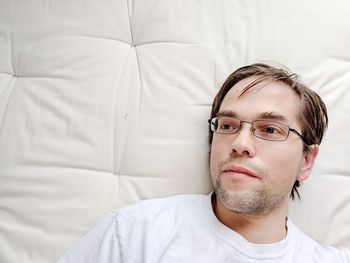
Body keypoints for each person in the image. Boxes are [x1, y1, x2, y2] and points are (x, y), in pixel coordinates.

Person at [58, 63, 350, 263]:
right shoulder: (135, 232)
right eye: (227, 125)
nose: (239, 143)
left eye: (270, 129)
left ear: (307, 161)